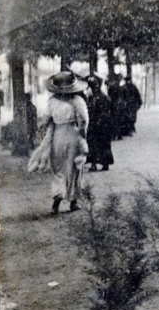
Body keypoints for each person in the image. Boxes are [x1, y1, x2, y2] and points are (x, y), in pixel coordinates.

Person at [35, 71, 89, 213]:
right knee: (74, 167)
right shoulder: (78, 101)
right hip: (73, 134)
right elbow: (82, 122)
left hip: (57, 137)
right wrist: (83, 138)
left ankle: (56, 203)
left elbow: (44, 121)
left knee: (59, 169)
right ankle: (73, 202)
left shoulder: (52, 101)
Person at [85, 75, 114, 171]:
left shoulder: (94, 98)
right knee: (104, 143)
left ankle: (94, 164)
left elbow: (92, 111)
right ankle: (105, 164)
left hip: (96, 123)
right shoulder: (103, 96)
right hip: (105, 123)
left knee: (94, 143)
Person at [106, 73, 124, 140]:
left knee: (114, 120)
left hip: (113, 105)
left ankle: (114, 135)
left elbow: (110, 96)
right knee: (117, 120)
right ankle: (118, 135)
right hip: (117, 105)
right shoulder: (118, 86)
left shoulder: (112, 86)